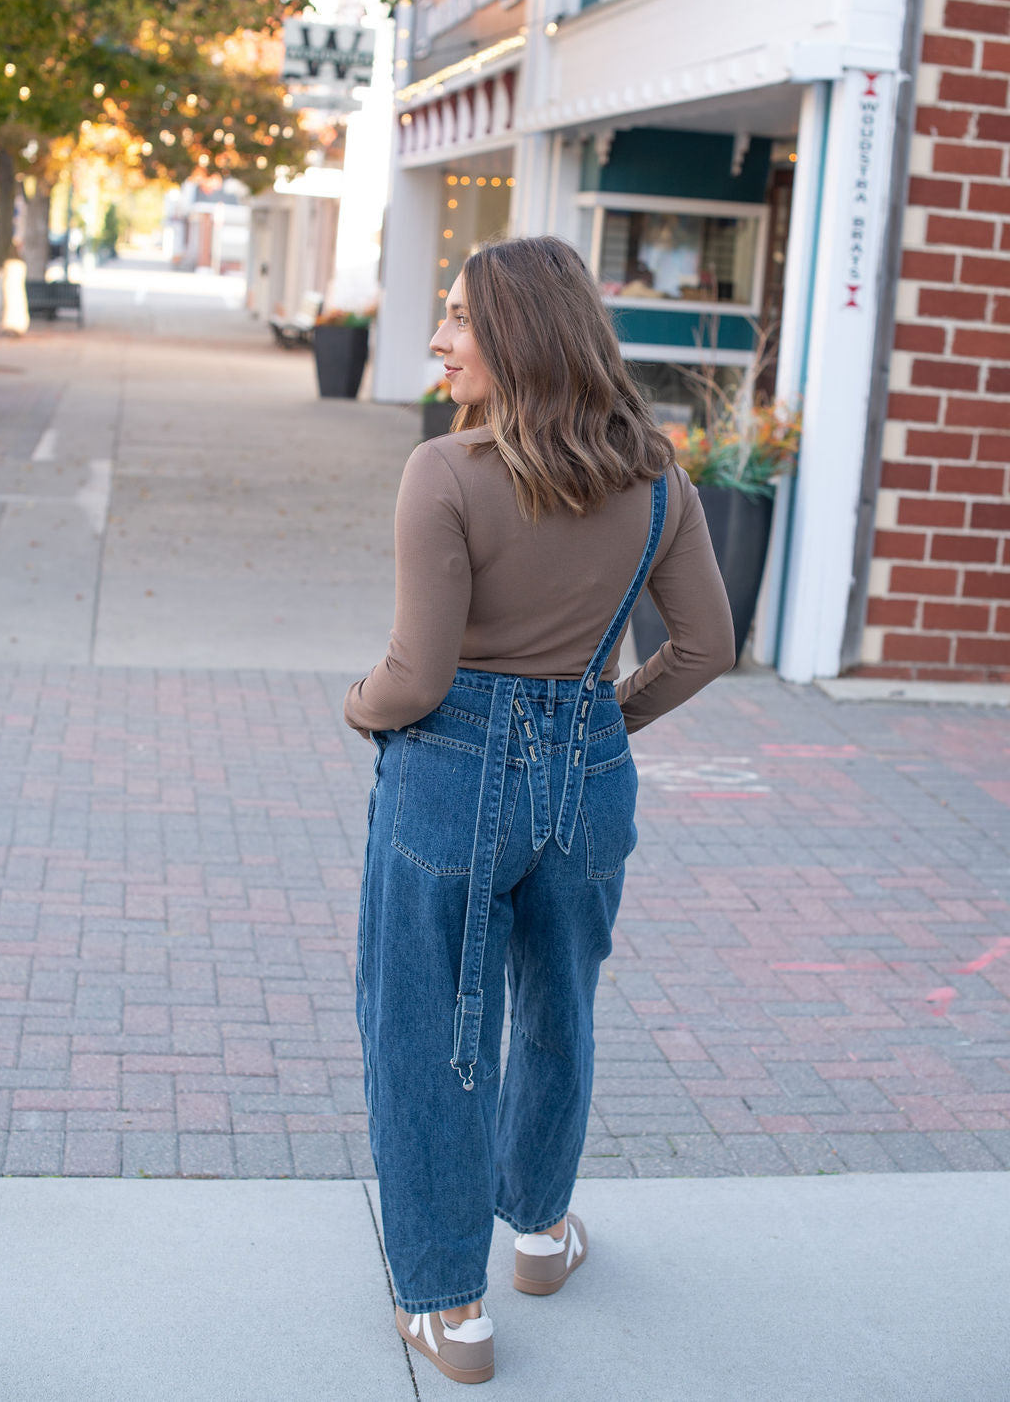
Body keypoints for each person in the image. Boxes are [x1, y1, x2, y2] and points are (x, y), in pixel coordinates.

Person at [343, 235, 735, 1384]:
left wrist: (358, 707)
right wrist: (602, 721)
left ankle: (445, 1308)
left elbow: (415, 678)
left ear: (516, 334)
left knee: (428, 1027)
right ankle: (543, 1233)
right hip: (588, 763)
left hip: (450, 772)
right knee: (556, 1005)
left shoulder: (445, 472)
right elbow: (706, 647)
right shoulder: (656, 478)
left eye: (458, 318)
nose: (437, 339)